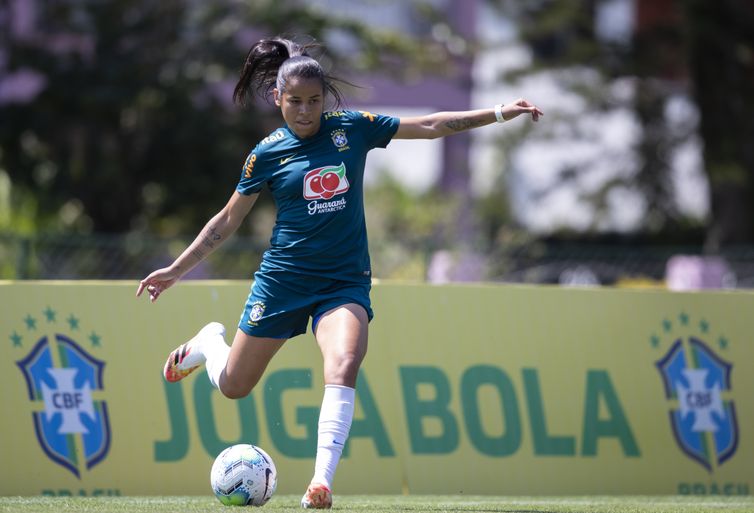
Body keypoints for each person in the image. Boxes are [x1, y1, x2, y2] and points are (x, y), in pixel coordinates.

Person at [136, 36, 542, 509]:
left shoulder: (353, 129)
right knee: (234, 387)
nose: (305, 111)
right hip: (283, 281)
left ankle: (319, 483)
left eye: (314, 101)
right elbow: (227, 221)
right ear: (277, 99)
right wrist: (176, 269)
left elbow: (430, 124)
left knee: (344, 364)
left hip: (343, 282)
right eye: (295, 102)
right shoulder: (265, 153)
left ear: (326, 98)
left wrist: (497, 112)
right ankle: (209, 342)